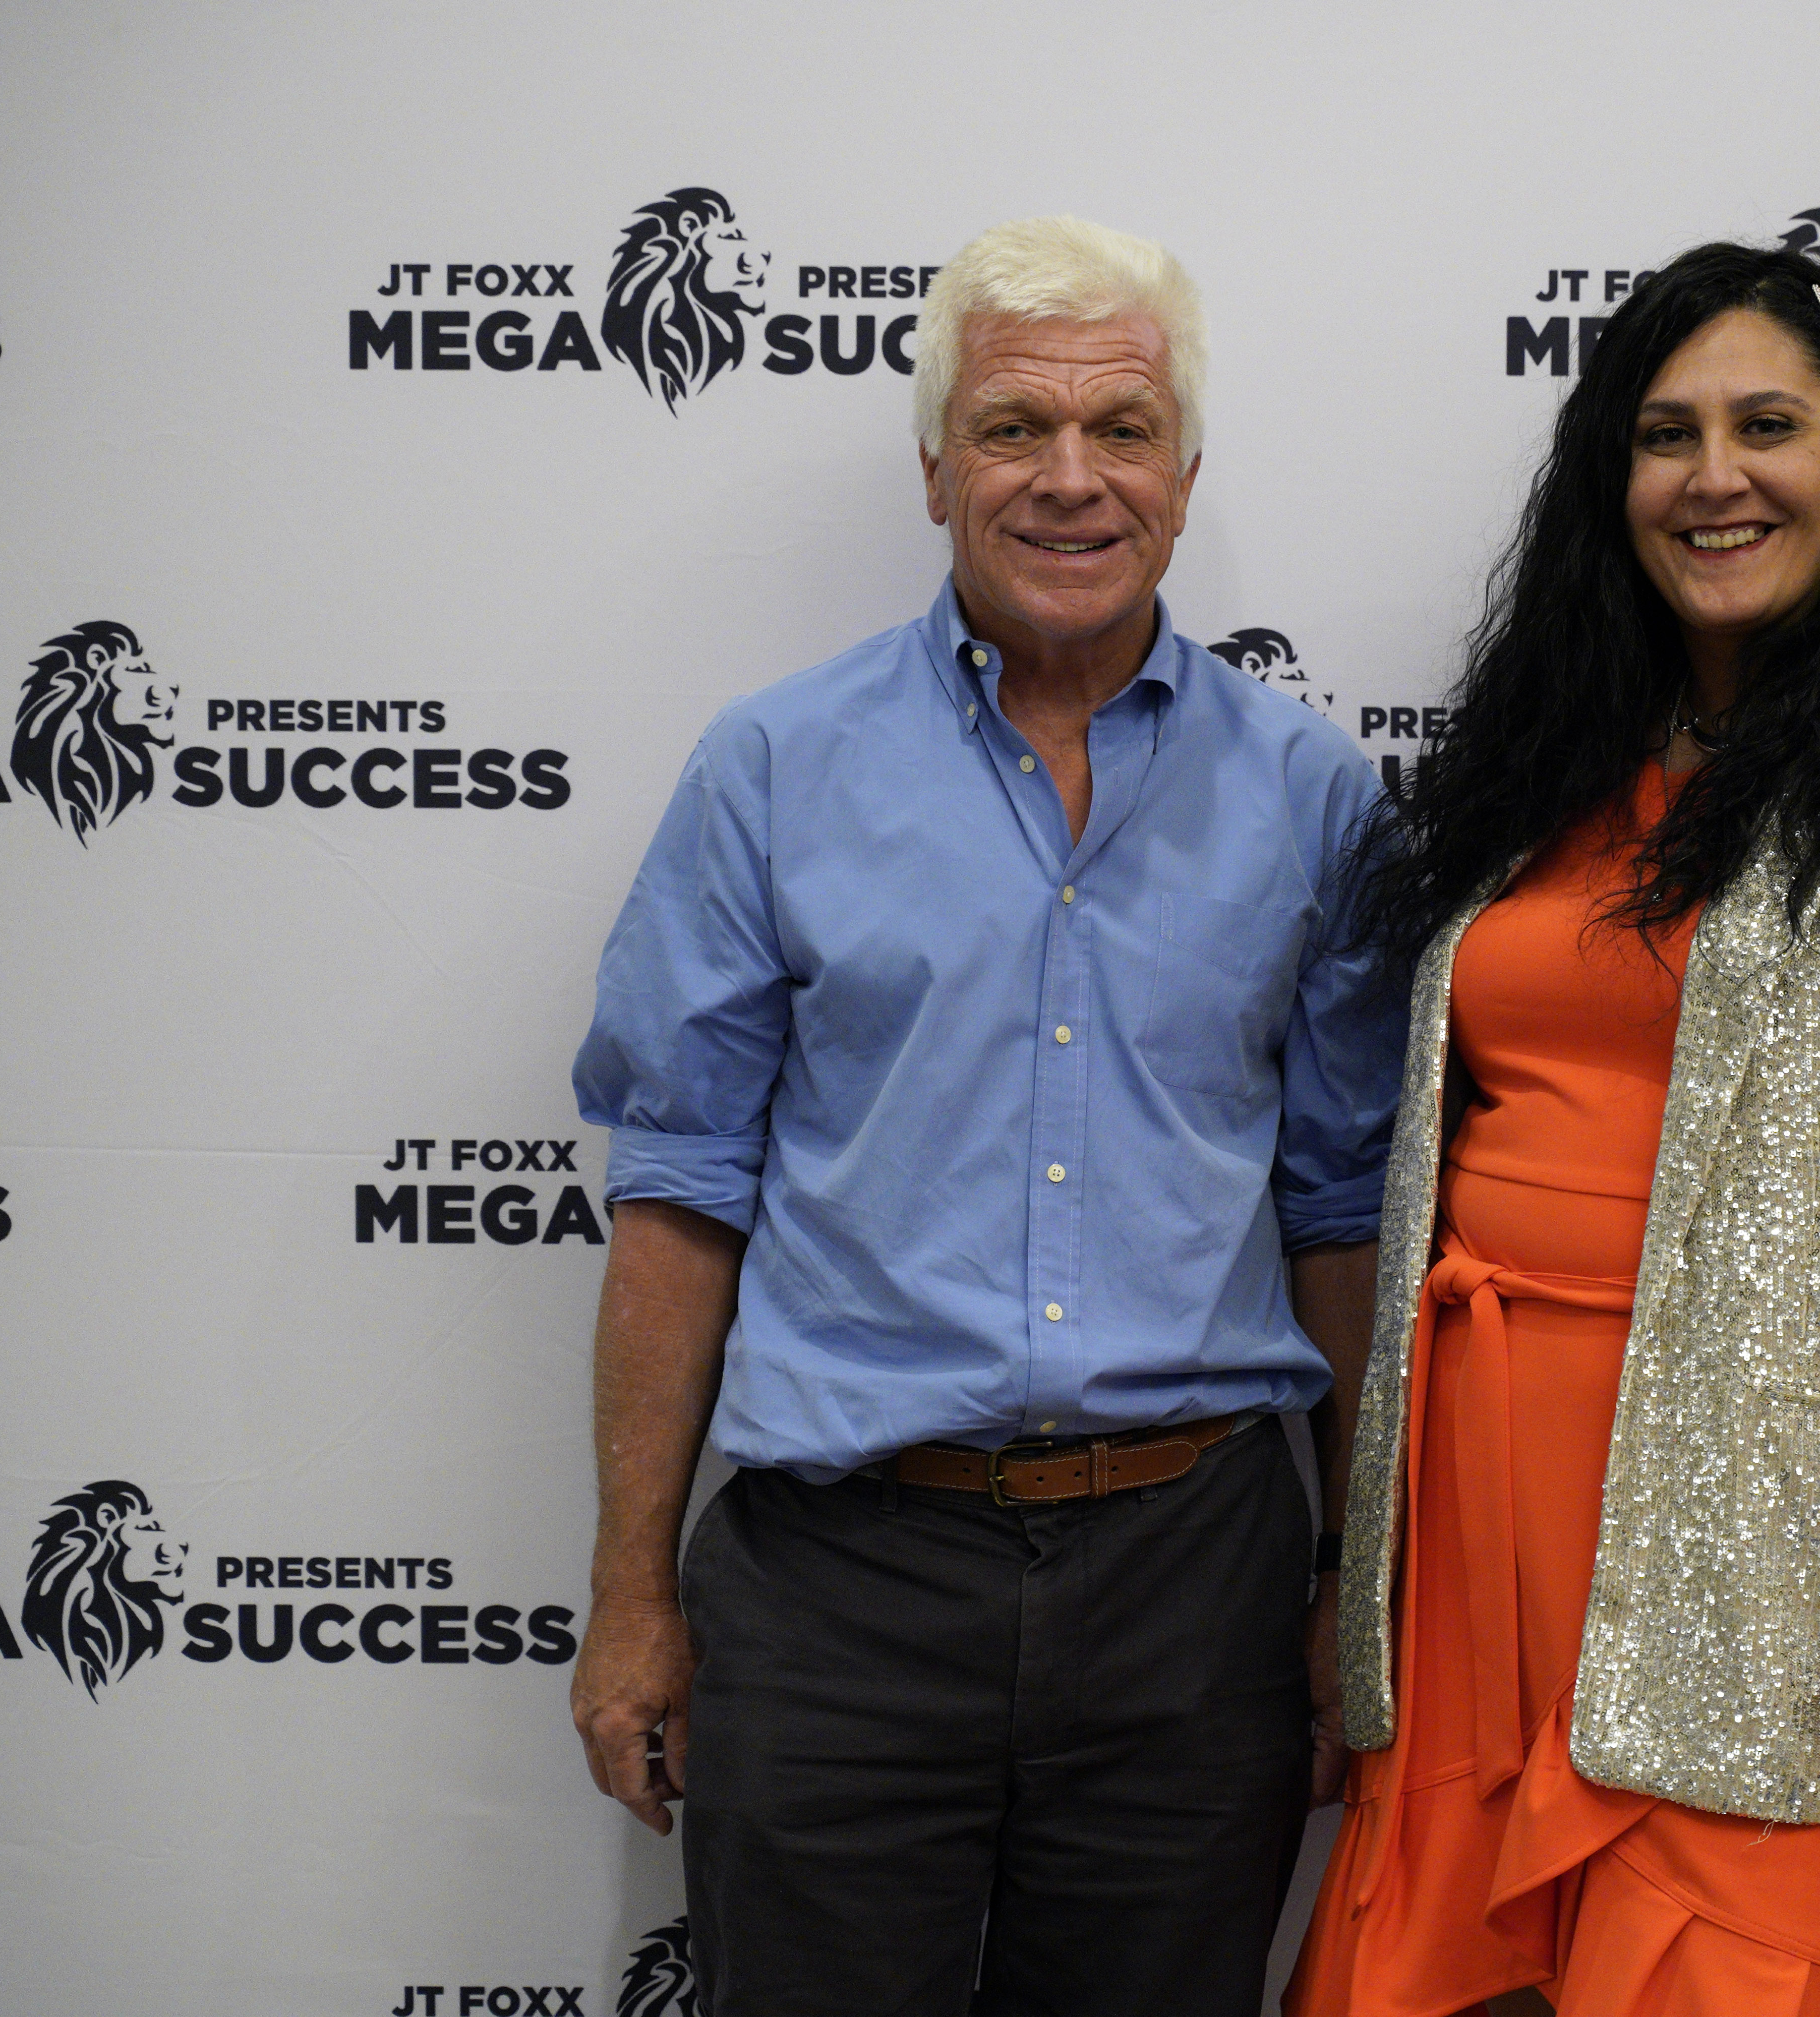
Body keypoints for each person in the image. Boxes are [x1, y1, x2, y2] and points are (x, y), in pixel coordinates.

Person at [1286, 243, 1820, 2017]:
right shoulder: (1558, 746)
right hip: (1474, 1542)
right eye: (1667, 435)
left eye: (1770, 426)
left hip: (1778, 1597)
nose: (1716, 476)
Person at [568, 215, 1401, 2016]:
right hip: (839, 1584)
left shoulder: (1313, 795)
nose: (1070, 478)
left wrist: (1353, 1575)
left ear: (1187, 476)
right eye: (1015, 427)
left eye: (1122, 430)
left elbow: (1344, 1210)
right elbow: (683, 1193)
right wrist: (632, 1592)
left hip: (1195, 1591)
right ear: (938, 470)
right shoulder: (774, 769)